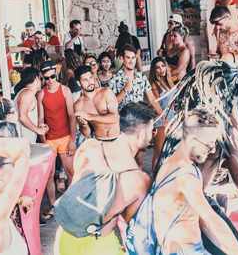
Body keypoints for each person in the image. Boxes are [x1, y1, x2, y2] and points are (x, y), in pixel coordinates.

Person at [156, 61, 238, 254]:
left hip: (167, 214)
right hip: (196, 213)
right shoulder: (223, 132)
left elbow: (156, 166)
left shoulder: (174, 123)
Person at [127, 109, 238, 255]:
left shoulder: (170, 164)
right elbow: (210, 220)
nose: (212, 149)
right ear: (193, 140)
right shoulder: (185, 175)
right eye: (209, 144)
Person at [54, 102, 156, 255]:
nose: (153, 134)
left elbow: (77, 187)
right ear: (141, 134)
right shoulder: (139, 180)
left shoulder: (89, 147)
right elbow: (129, 224)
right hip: (99, 245)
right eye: (151, 130)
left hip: (65, 236)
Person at [37, 61, 76, 219]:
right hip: (50, 140)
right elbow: (40, 118)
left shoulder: (65, 90)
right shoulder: (41, 94)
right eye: (47, 78)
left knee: (71, 171)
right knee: (49, 174)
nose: (50, 80)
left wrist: (73, 139)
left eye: (53, 76)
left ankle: (72, 203)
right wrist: (43, 139)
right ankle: (53, 205)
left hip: (65, 137)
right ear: (43, 78)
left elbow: (72, 116)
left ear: (56, 74)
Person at [110, 45, 162, 115]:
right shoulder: (114, 79)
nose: (131, 61)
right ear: (122, 59)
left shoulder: (141, 76)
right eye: (128, 58)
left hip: (141, 117)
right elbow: (112, 105)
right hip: (125, 120)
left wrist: (163, 117)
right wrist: (125, 90)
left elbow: (152, 99)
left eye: (133, 58)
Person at [73, 65, 119, 142]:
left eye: (90, 78)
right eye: (85, 80)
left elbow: (115, 118)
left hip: (117, 138)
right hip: (99, 140)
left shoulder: (106, 92)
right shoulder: (78, 105)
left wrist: (90, 116)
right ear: (78, 83)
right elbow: (87, 133)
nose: (90, 82)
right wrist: (84, 125)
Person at [149, 57, 175, 169]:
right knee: (159, 152)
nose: (161, 69)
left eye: (163, 66)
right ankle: (154, 178)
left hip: (172, 118)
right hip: (161, 121)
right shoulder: (154, 85)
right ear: (154, 70)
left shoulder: (169, 81)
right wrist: (164, 120)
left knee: (170, 152)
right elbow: (155, 106)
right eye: (158, 68)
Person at [15, 67, 47, 144]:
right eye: (41, 78)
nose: (42, 82)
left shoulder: (26, 92)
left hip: (25, 140)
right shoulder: (28, 94)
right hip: (24, 141)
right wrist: (38, 130)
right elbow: (22, 117)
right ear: (36, 78)